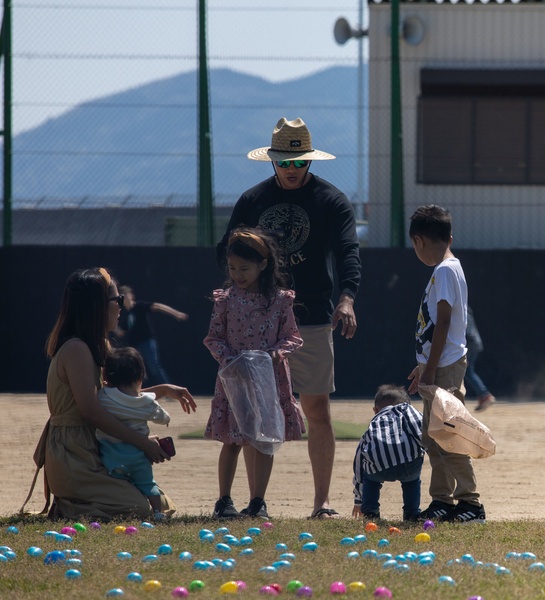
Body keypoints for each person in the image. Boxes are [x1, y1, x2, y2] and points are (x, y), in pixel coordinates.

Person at [217, 117, 361, 520]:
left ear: (310, 161)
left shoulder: (331, 201)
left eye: (300, 162)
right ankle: (256, 502)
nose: (293, 169)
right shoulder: (251, 201)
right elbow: (224, 253)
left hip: (311, 318)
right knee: (253, 413)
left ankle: (322, 503)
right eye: (286, 162)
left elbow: (348, 252)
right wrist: (237, 300)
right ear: (273, 160)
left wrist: (347, 299)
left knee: (317, 410)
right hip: (257, 323)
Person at [22, 268, 196, 520]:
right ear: (96, 306)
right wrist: (141, 442)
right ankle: (69, 505)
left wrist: (163, 390)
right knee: (138, 509)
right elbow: (91, 411)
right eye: (117, 301)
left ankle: (78, 500)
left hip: (94, 446)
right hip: (74, 454)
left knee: (159, 502)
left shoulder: (97, 345)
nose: (121, 307)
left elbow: (110, 402)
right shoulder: (77, 349)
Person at [205, 229, 305, 520]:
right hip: (234, 380)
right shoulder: (225, 300)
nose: (237, 274)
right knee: (232, 440)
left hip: (268, 380)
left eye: (244, 268)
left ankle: (257, 501)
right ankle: (224, 500)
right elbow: (214, 338)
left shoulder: (281, 300)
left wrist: (275, 354)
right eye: (233, 268)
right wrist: (229, 359)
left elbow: (292, 337)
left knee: (265, 439)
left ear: (263, 264)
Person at [406, 204, 487, 524]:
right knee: (433, 436)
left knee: (449, 435)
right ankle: (441, 500)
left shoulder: (443, 270)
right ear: (449, 236)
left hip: (446, 367)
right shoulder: (450, 268)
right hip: (439, 363)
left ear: (418, 241)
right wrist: (423, 364)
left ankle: (471, 503)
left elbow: (442, 322)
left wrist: (430, 368)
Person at [95, 347, 172, 521]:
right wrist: (165, 419)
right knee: (148, 485)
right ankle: (158, 513)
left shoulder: (103, 396)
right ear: (139, 377)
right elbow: (163, 418)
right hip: (138, 456)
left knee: (119, 483)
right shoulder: (147, 402)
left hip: (111, 456)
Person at [351, 384, 425, 522]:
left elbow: (359, 460)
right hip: (409, 466)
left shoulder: (375, 422)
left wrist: (358, 500)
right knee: (412, 482)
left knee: (371, 481)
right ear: (406, 403)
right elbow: (422, 430)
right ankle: (412, 513)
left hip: (378, 467)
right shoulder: (408, 410)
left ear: (375, 410)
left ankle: (370, 513)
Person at [115, 286, 189, 386]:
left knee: (154, 367)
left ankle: (170, 390)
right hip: (135, 347)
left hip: (147, 343)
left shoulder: (139, 306)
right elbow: (120, 332)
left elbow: (158, 306)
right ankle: (133, 392)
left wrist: (176, 313)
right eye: (121, 296)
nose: (124, 298)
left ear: (131, 295)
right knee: (134, 369)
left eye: (125, 295)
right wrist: (108, 323)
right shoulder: (127, 316)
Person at [465, 308, 496, 412]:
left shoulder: (462, 312)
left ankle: (484, 395)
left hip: (470, 345)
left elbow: (468, 333)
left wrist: (465, 353)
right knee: (467, 371)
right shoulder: (465, 311)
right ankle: (483, 395)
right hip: (473, 344)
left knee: (467, 371)